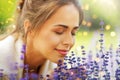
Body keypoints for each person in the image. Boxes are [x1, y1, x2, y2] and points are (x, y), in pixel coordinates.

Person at [0, 0, 83, 79]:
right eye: (59, 31)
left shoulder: (58, 70)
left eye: (73, 33)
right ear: (30, 28)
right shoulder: (2, 62)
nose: (69, 42)